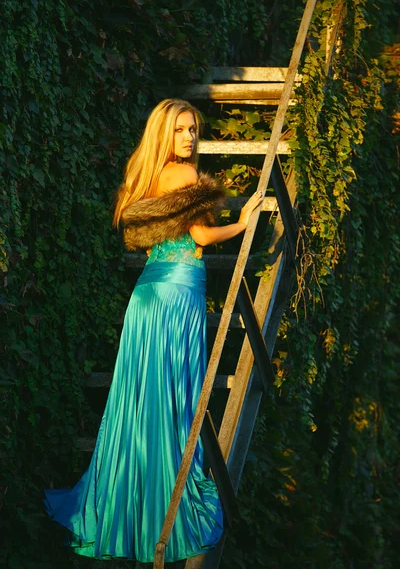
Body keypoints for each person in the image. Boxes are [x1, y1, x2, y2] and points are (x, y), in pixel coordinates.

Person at [43, 99, 263, 565]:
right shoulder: (184, 178)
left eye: (193, 130)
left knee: (139, 402)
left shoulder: (144, 178)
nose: (190, 138)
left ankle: (123, 508)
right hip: (177, 296)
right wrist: (243, 223)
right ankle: (160, 509)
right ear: (165, 134)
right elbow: (201, 239)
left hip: (146, 298)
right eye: (181, 130)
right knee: (168, 403)